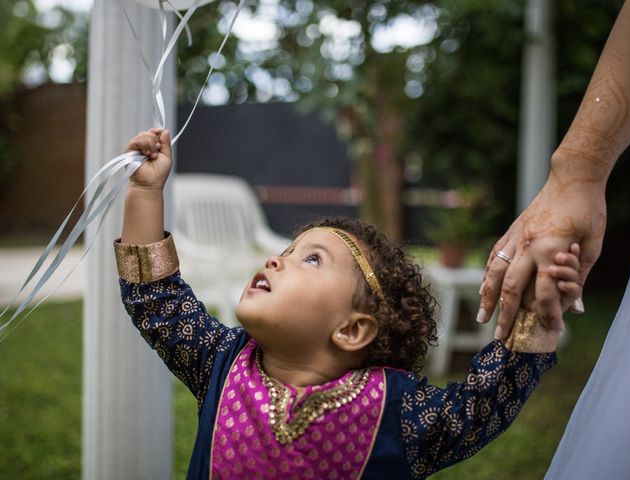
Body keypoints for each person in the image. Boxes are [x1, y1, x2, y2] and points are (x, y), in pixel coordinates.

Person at [115, 128, 582, 479]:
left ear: (352, 329)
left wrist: (539, 310)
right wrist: (145, 191)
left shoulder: (399, 413)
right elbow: (157, 300)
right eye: (285, 252)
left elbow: (486, 402)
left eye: (311, 259)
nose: (276, 262)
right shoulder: (221, 364)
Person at [474, 0, 630, 477]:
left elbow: (470, 414)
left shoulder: (384, 406)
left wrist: (536, 335)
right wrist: (579, 170)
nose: (277, 262)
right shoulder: (238, 353)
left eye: (311, 259)